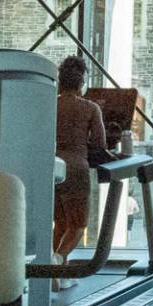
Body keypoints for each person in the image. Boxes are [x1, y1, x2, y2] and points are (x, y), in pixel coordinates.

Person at [52, 56, 107, 291]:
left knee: (61, 223)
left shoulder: (49, 104)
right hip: (76, 167)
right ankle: (56, 260)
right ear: (81, 83)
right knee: (78, 225)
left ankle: (55, 275)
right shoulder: (90, 107)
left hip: (52, 167)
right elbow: (101, 143)